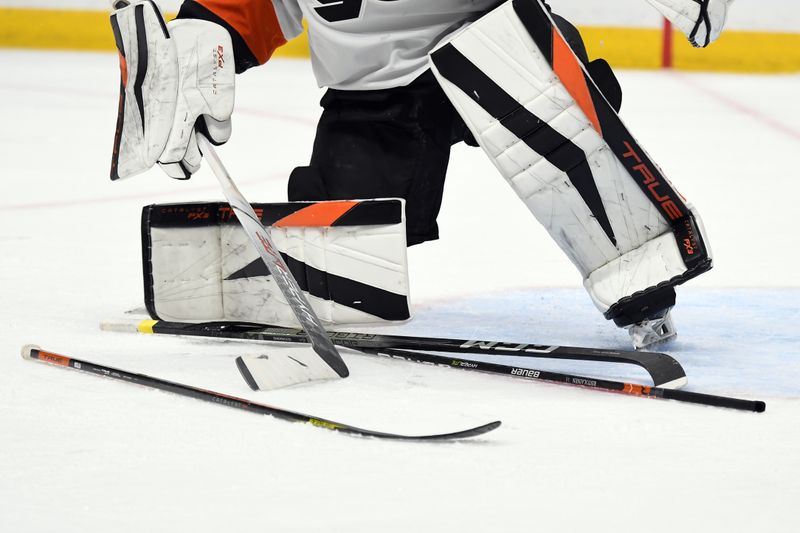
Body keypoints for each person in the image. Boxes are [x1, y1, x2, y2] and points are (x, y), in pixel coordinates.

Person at [108, 0, 733, 347]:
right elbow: (256, 6)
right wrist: (200, 32)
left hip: (495, 46)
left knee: (567, 139)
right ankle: (280, 288)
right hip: (372, 93)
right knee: (342, 253)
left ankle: (641, 283)